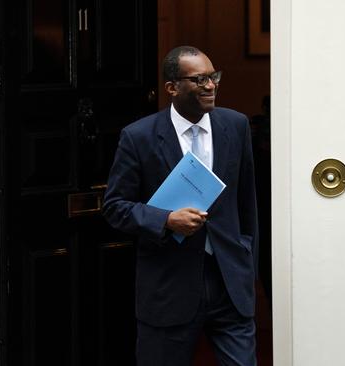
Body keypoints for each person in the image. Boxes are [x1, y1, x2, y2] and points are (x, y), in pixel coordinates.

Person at [103, 46, 258, 366]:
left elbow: (247, 204)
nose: (211, 86)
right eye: (199, 79)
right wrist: (166, 219)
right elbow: (115, 207)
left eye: (213, 77)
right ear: (172, 87)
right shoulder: (139, 136)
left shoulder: (236, 125)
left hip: (229, 282)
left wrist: (247, 260)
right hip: (168, 286)